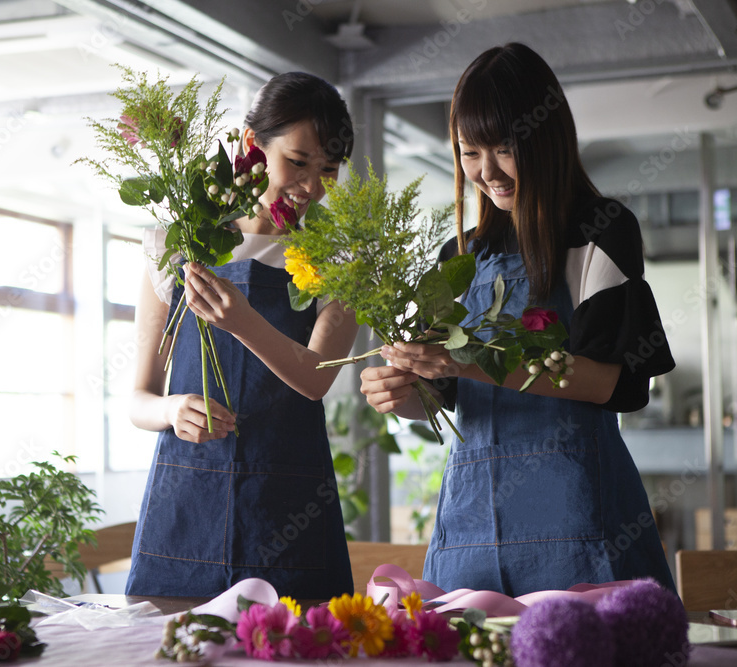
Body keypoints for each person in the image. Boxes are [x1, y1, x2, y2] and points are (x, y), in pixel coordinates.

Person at [360, 43, 676, 596]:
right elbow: (441, 396)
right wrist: (400, 392)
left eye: (505, 149)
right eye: (469, 152)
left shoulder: (600, 231)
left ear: (544, 137)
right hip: (471, 525)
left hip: (582, 522)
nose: (486, 172)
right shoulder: (459, 257)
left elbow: (616, 383)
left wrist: (470, 363)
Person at [125, 72, 359, 599]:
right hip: (185, 505)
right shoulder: (176, 241)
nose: (313, 187)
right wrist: (171, 410)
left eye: (329, 169)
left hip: (289, 505)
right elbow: (138, 399)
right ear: (253, 144)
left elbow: (316, 378)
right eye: (298, 162)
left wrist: (242, 321)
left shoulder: (339, 257)